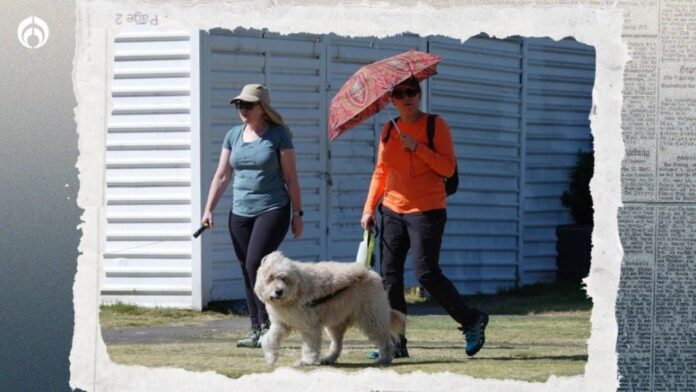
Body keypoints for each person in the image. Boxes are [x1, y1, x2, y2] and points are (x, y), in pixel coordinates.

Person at [361, 77, 489, 358]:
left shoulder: (435, 125)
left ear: (419, 95)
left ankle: (471, 320)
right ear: (392, 99)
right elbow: (381, 172)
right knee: (389, 277)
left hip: (427, 209)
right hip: (392, 210)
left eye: (412, 91)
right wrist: (369, 208)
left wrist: (418, 148)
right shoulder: (387, 130)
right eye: (400, 93)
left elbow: (447, 167)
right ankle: (396, 342)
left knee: (426, 273)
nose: (407, 97)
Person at [201, 84, 303, 348]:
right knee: (247, 271)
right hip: (239, 213)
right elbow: (222, 175)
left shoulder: (278, 136)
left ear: (263, 108)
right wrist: (208, 208)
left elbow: (291, 178)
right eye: (239, 105)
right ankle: (256, 328)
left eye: (248, 105)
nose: (242, 109)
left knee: (255, 263)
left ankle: (270, 326)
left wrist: (298, 213)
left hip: (272, 209)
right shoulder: (233, 136)